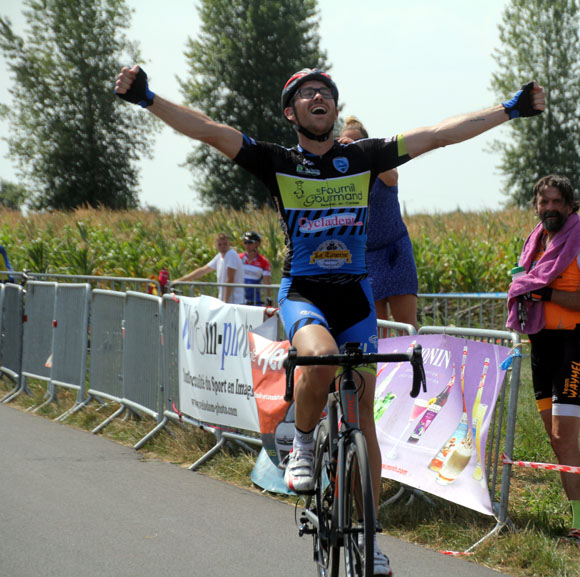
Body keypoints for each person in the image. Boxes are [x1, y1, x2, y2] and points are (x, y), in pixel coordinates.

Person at [116, 64, 545, 575]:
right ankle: (300, 440)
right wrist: (147, 98)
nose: (320, 97)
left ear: (335, 110)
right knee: (318, 360)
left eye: (327, 93)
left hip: (356, 297)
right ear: (290, 112)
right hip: (305, 294)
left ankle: (370, 536)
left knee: (364, 420)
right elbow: (209, 129)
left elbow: (439, 135)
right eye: (307, 93)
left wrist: (511, 109)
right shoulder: (276, 161)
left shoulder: (361, 157)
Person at [506, 175, 580, 547]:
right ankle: (574, 520)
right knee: (555, 440)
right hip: (540, 347)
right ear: (537, 205)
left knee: (565, 439)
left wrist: (546, 292)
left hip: (571, 346)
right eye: (543, 202)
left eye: (556, 202)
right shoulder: (536, 242)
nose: (549, 208)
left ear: (569, 205)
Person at [338, 116, 418, 330]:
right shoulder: (343, 176)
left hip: (396, 252)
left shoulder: (382, 166)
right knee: (377, 328)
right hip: (368, 258)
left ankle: (413, 363)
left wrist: (362, 153)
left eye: (355, 143)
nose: (349, 148)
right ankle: (383, 364)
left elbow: (392, 178)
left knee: (406, 326)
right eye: (345, 143)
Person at [175, 233, 245, 304]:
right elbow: (203, 270)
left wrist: (225, 302)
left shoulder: (231, 255)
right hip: (225, 301)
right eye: (220, 244)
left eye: (225, 244)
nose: (222, 246)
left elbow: (230, 279)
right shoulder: (219, 257)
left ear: (229, 244)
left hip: (234, 301)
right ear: (215, 245)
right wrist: (180, 280)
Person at [239, 230, 273, 306]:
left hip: (254, 300)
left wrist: (269, 300)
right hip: (238, 298)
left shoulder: (264, 262)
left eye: (250, 242)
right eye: (245, 242)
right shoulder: (238, 258)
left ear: (257, 244)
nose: (247, 245)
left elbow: (267, 283)